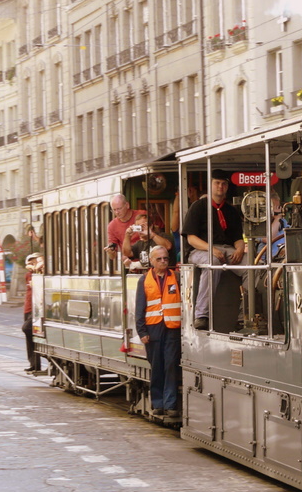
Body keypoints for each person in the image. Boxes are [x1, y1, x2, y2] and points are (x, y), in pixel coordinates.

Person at [183, 170, 247, 329]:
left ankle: (245, 314)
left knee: (251, 267)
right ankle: (202, 315)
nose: (220, 186)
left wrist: (240, 249)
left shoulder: (231, 211)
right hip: (199, 250)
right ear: (210, 185)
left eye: (224, 183)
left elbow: (238, 238)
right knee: (214, 262)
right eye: (217, 183)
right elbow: (191, 238)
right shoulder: (198, 206)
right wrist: (211, 249)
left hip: (227, 249)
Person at [134, 245, 181, 422]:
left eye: (166, 259)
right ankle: (158, 403)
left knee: (170, 365)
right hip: (153, 328)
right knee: (157, 366)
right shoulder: (144, 280)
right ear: (152, 261)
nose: (163, 262)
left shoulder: (175, 277)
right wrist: (142, 331)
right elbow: (139, 307)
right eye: (159, 259)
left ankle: (170, 405)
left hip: (172, 328)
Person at [104, 194, 147, 262]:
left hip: (148, 258)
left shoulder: (143, 215)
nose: (117, 212)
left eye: (119, 209)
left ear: (127, 205)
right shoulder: (112, 226)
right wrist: (110, 252)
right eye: (114, 210)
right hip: (130, 262)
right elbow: (113, 255)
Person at [22, 253, 45, 374]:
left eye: (34, 262)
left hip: (37, 308)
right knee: (30, 336)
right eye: (30, 263)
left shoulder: (40, 274)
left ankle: (37, 363)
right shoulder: (29, 275)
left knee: (27, 329)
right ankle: (34, 364)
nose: (32, 264)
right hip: (28, 308)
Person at [256, 192, 288, 262]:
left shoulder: (283, 221)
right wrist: (278, 218)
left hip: (285, 257)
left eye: (278, 207)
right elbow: (268, 238)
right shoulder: (260, 223)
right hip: (270, 260)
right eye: (274, 207)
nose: (277, 210)